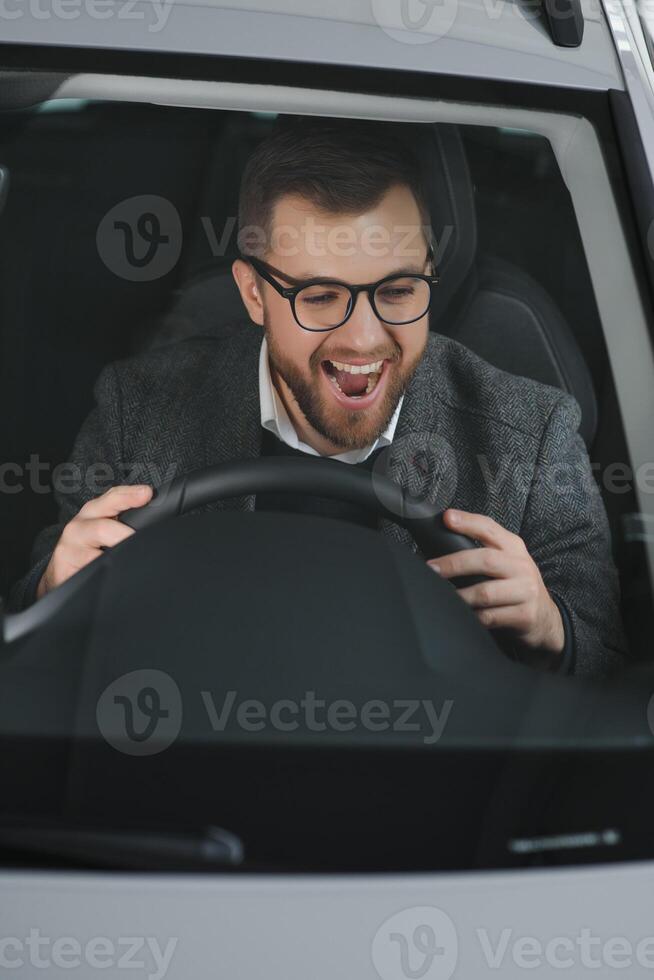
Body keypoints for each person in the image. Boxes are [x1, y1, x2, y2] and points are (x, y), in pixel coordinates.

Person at [8, 116, 626, 677]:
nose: (363, 338)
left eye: (399, 290)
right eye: (321, 297)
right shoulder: (136, 410)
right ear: (253, 295)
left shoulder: (534, 438)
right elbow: (32, 631)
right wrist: (53, 589)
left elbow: (612, 667)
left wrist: (554, 627)